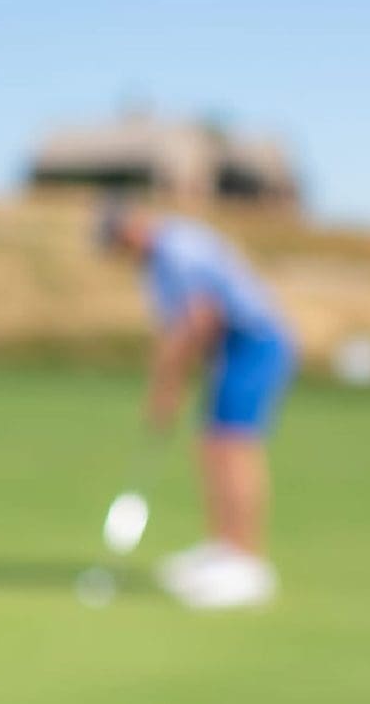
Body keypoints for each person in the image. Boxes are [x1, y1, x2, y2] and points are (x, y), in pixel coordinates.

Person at [98, 197, 297, 609]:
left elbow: (201, 318)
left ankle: (247, 565)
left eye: (119, 240)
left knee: (232, 446)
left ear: (133, 226)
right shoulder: (156, 262)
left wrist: (170, 385)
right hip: (231, 349)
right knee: (212, 445)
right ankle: (223, 549)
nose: (120, 251)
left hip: (254, 343)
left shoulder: (177, 249)